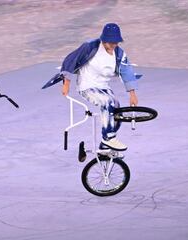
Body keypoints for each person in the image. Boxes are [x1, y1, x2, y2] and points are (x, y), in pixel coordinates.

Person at [46, 23, 141, 151]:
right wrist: (66, 84)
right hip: (87, 86)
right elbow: (70, 60)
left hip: (103, 87)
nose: (114, 45)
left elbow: (127, 71)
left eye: (116, 42)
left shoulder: (119, 53)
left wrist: (132, 94)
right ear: (104, 40)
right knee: (108, 102)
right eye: (111, 42)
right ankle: (108, 137)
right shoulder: (90, 47)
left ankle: (104, 145)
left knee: (117, 108)